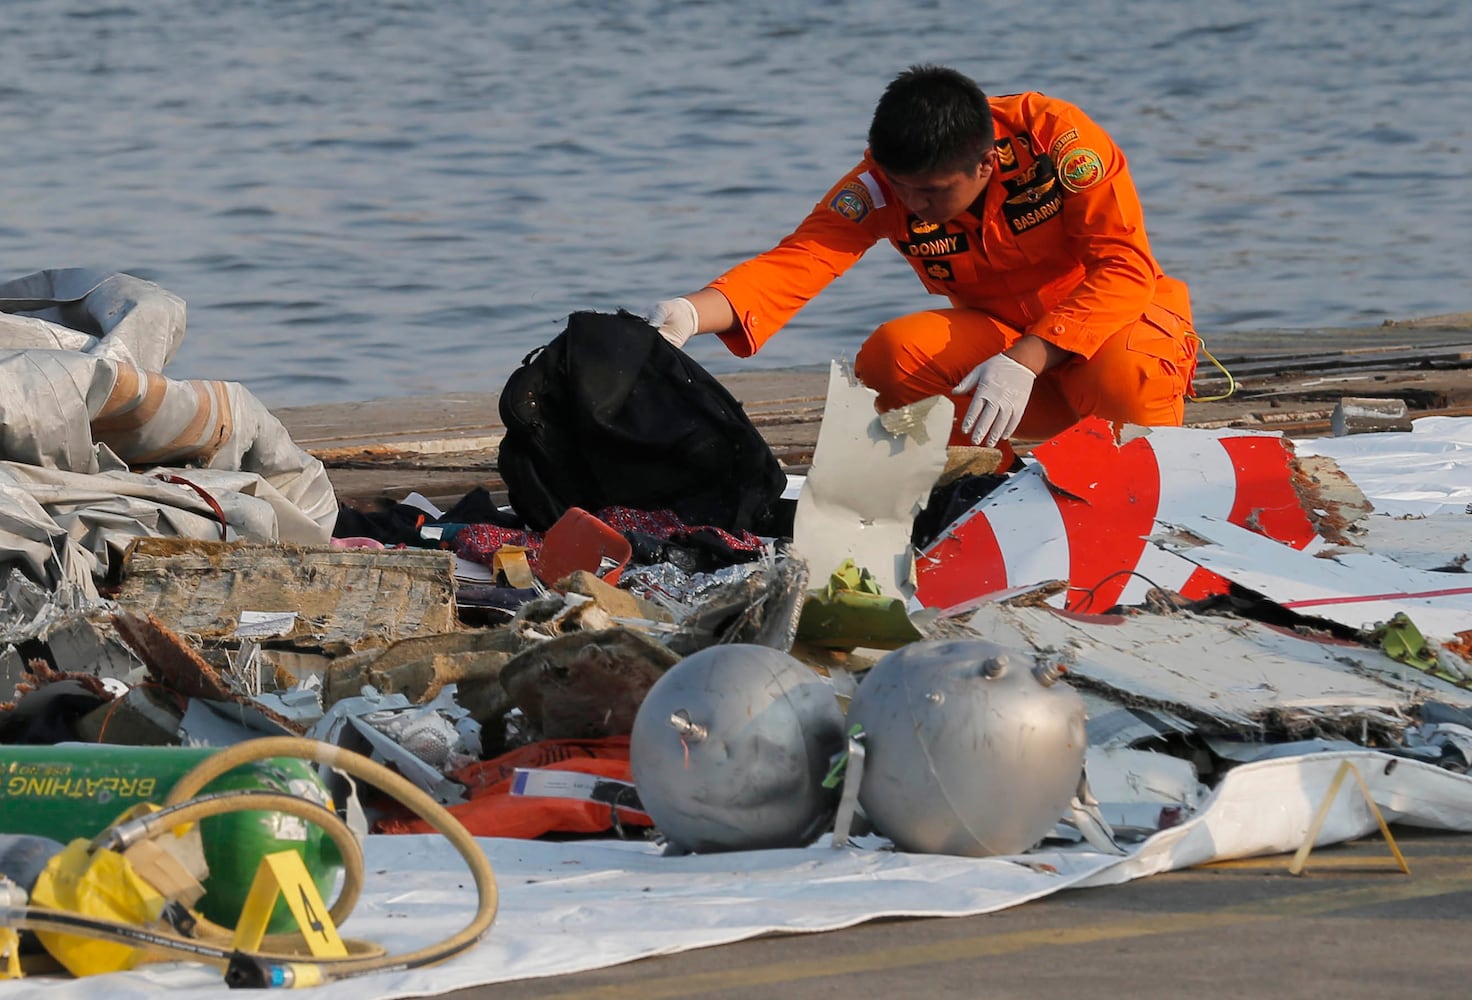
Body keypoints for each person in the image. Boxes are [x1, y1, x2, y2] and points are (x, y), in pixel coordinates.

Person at [647, 64, 1198, 459]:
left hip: (1111, 339)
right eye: (900, 186)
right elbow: (800, 260)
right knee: (891, 357)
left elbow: (1124, 267)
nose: (912, 205)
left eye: (931, 192)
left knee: (1127, 370)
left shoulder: (1055, 140)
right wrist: (689, 315)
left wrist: (1028, 357)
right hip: (1004, 361)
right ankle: (979, 482)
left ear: (986, 164)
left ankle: (1147, 479)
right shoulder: (881, 187)